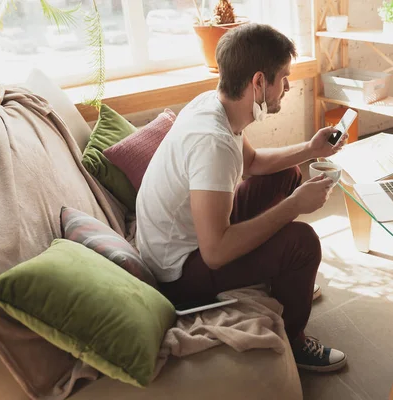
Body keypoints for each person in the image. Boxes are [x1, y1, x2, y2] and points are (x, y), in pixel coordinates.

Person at [136, 23, 348, 372]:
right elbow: (216, 252)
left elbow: (251, 163)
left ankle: (282, 281)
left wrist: (310, 149)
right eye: (284, 78)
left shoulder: (214, 102)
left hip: (188, 240)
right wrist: (294, 205)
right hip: (177, 273)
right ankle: (295, 343)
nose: (288, 87)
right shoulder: (212, 142)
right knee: (302, 242)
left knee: (287, 174)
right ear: (259, 82)